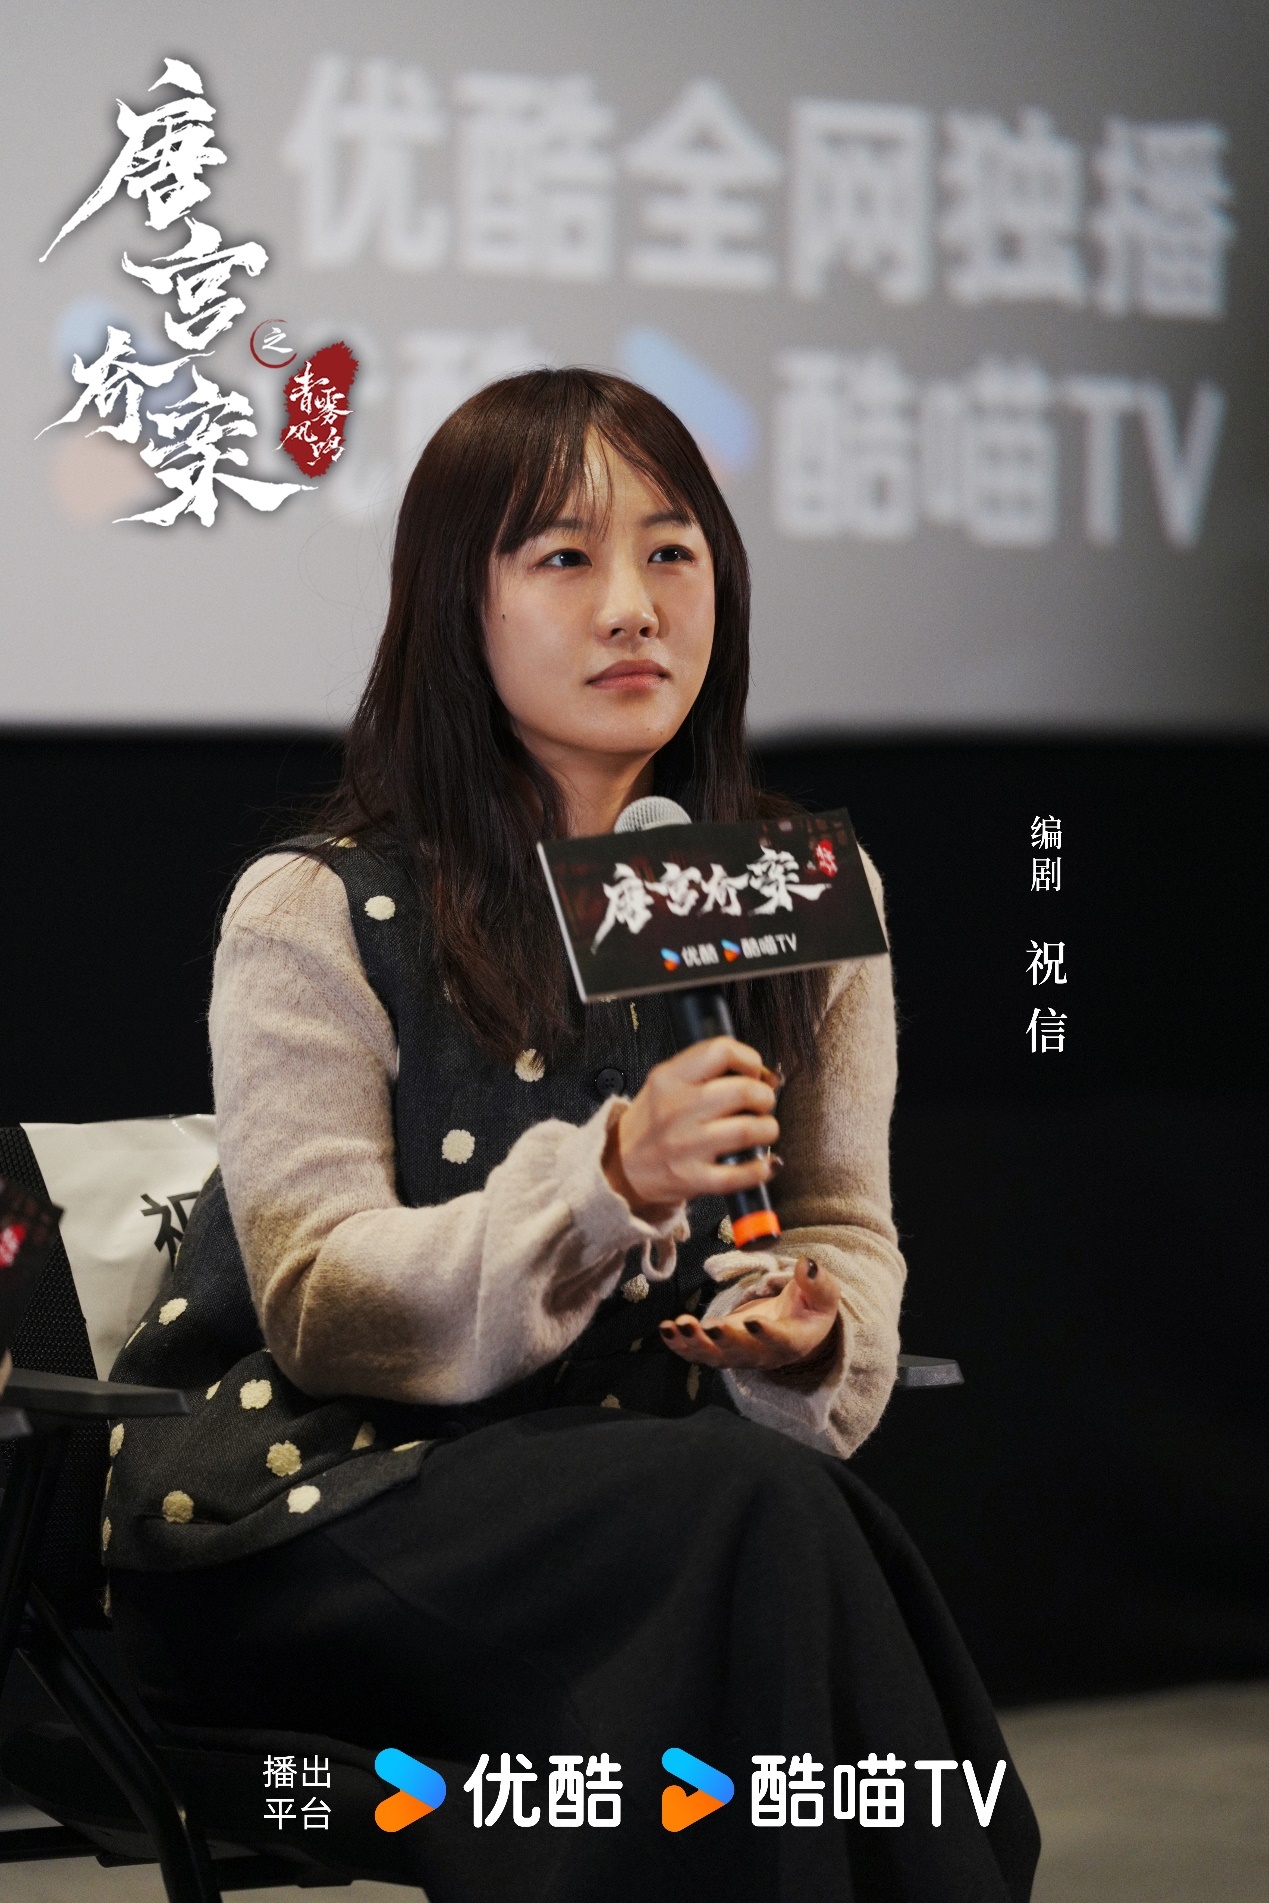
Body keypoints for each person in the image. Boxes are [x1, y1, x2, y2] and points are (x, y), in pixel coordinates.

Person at [105, 369, 1039, 1901]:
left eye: (671, 554)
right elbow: (320, 1301)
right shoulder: (320, 905)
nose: (631, 609)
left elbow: (839, 1226)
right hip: (321, 1504)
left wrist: (809, 1325)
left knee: (750, 1548)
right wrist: (603, 1180)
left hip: (645, 1503)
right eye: (562, 558)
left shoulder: (796, 893)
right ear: (452, 606)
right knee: (749, 1534)